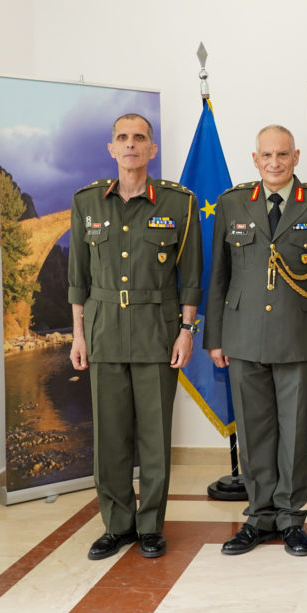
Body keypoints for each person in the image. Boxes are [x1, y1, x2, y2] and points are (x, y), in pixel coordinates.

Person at [205, 124, 307, 557]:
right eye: (266, 155)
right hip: (243, 336)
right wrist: (215, 337)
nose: (274, 162)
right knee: (253, 433)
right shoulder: (232, 203)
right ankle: (258, 516)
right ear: (255, 159)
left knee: (293, 432)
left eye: (282, 154)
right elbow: (218, 275)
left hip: (298, 337)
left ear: (296, 157)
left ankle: (290, 518)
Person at [68, 113, 203, 560]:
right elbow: (78, 278)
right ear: (111, 149)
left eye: (139, 138)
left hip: (156, 332)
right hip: (103, 331)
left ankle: (150, 526)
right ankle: (117, 524)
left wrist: (186, 331)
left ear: (152, 149)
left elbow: (191, 277)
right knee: (110, 438)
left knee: (154, 437)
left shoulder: (178, 203)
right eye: (123, 138)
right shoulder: (87, 202)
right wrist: (78, 335)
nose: (131, 145)